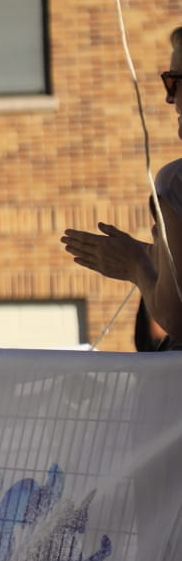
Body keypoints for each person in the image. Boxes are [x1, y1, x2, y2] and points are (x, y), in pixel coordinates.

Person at [62, 24, 182, 346]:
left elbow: (176, 317)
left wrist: (135, 266)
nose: (170, 98)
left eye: (175, 82)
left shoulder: (176, 181)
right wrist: (148, 253)